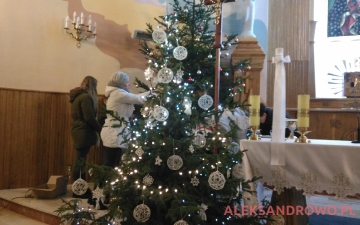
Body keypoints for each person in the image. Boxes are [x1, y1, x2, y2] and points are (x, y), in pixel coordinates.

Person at [101, 71, 149, 169]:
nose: (129, 84)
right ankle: (103, 184)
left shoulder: (117, 92)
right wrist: (154, 93)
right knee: (111, 163)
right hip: (114, 132)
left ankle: (106, 183)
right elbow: (139, 99)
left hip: (117, 130)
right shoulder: (118, 93)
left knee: (113, 161)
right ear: (121, 83)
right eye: (127, 82)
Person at [69, 76, 102, 199]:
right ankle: (78, 190)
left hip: (79, 130)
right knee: (79, 162)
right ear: (92, 86)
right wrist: (100, 129)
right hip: (83, 131)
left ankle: (81, 188)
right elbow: (89, 117)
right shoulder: (86, 97)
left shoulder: (78, 96)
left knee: (80, 161)